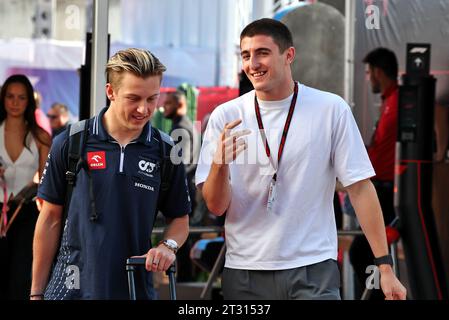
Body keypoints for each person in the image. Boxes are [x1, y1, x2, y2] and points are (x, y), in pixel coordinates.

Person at [195, 18, 407, 300]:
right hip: (245, 270)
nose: (252, 63)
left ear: (289, 55)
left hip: (313, 268)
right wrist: (219, 165)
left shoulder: (330, 109)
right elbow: (216, 205)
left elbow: (360, 188)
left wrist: (385, 266)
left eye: (262, 53)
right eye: (246, 55)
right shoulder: (226, 116)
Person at [31, 48, 191, 300]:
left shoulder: (166, 149)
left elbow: (180, 220)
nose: (143, 109)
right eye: (133, 98)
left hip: (133, 289)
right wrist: (36, 294)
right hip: (69, 290)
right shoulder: (71, 142)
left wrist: (167, 246)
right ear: (110, 92)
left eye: (152, 99)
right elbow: (49, 218)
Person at [348, 48, 399, 299]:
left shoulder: (401, 99)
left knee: (360, 252)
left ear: (378, 72)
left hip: (389, 191)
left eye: (369, 73)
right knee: (360, 251)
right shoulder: (389, 101)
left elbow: (440, 112)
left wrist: (440, 149)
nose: (369, 79)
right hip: (377, 186)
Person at [0, 74, 52, 299]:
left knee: (21, 274)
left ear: (29, 101)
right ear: (3, 99)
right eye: (10, 96)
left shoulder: (40, 137)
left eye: (21, 97)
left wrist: (31, 190)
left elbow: (46, 182)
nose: (15, 102)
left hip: (26, 210)